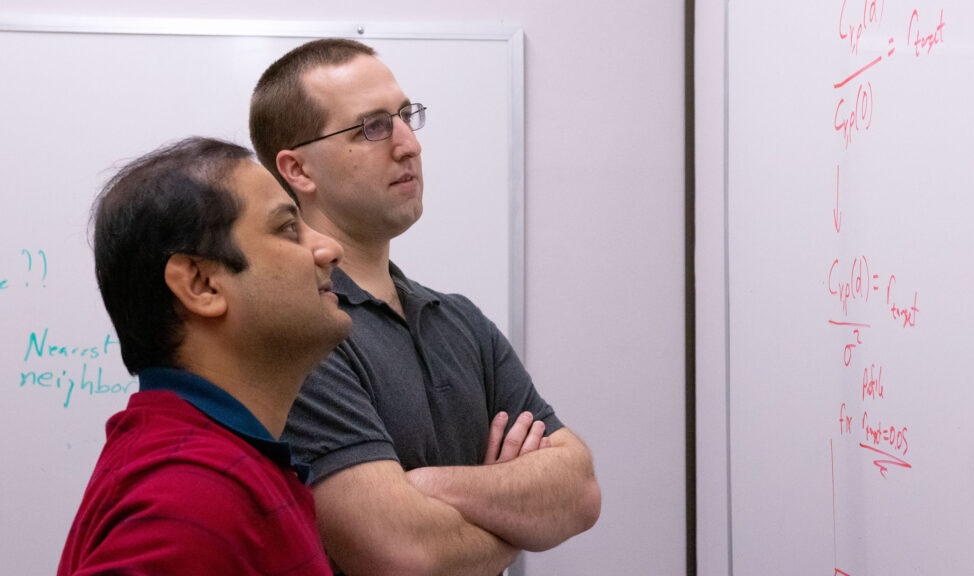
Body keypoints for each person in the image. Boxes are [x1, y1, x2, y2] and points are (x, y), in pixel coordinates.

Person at [250, 39, 602, 575]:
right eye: (371, 127)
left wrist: (427, 486)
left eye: (405, 115)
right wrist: (511, 524)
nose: (408, 144)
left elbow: (578, 491)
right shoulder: (300, 330)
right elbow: (402, 554)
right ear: (298, 170)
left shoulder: (459, 320)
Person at [57, 137, 351, 576]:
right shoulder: (191, 497)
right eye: (288, 228)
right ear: (201, 285)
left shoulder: (219, 470)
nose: (329, 249)